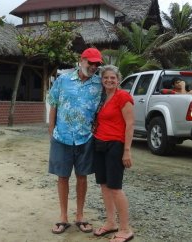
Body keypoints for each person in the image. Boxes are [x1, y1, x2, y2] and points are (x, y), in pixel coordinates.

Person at [48, 47, 103, 235]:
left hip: (85, 137)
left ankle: (80, 216)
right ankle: (63, 217)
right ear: (82, 60)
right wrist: (51, 133)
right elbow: (53, 105)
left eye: (97, 64)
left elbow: (102, 108)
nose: (94, 66)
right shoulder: (63, 80)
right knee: (62, 177)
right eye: (91, 62)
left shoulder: (99, 84)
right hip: (61, 136)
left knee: (82, 176)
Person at [92, 65, 134, 242]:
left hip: (115, 145)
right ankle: (111, 222)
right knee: (104, 185)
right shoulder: (103, 97)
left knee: (115, 188)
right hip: (99, 143)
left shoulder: (122, 96)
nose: (109, 80)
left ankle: (125, 229)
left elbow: (130, 124)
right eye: (106, 78)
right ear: (102, 80)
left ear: (118, 79)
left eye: (112, 78)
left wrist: (126, 151)